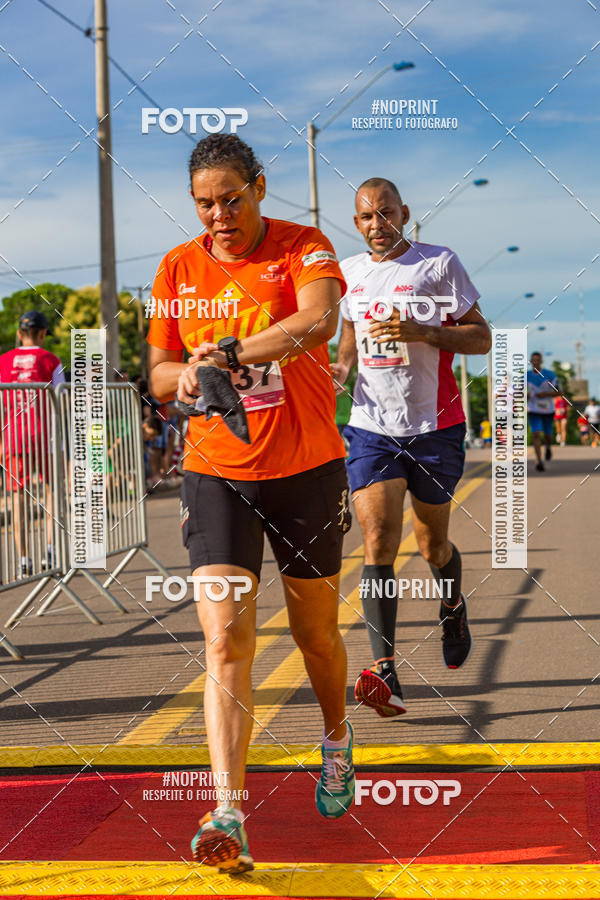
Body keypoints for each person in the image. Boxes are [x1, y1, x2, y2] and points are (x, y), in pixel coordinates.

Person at [147, 134, 354, 873]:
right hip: (217, 472)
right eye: (205, 204)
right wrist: (187, 374)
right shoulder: (177, 267)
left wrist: (234, 351)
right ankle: (228, 808)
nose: (219, 216)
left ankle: (336, 739)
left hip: (306, 467)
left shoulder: (305, 246)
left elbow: (319, 321)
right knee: (225, 641)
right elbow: (157, 370)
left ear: (260, 188)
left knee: (314, 634)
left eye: (231, 200)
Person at [331, 178, 491, 719]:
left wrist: (424, 331)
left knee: (431, 545)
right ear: (356, 223)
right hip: (371, 427)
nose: (377, 225)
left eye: (386, 213)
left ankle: (452, 605)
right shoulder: (348, 274)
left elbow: (481, 337)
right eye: (367, 217)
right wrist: (338, 371)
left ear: (404, 213)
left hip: (434, 426)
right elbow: (348, 344)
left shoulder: (439, 264)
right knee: (378, 538)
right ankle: (385, 671)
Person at [0, 311, 65, 576]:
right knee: (52, 493)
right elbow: (61, 398)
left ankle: (23, 560)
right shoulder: (51, 360)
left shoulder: (3, 361)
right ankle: (49, 551)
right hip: (45, 436)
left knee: (18, 499)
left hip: (13, 437)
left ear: (19, 333)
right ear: (43, 334)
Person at [527, 352, 558, 471]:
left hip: (548, 409)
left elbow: (559, 392)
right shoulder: (525, 376)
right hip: (534, 409)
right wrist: (526, 396)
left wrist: (545, 394)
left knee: (547, 435)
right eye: (533, 360)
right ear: (531, 362)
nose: (535, 362)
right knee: (536, 434)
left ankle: (548, 447)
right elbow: (519, 392)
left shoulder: (550, 375)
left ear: (541, 361)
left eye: (537, 360)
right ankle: (539, 460)